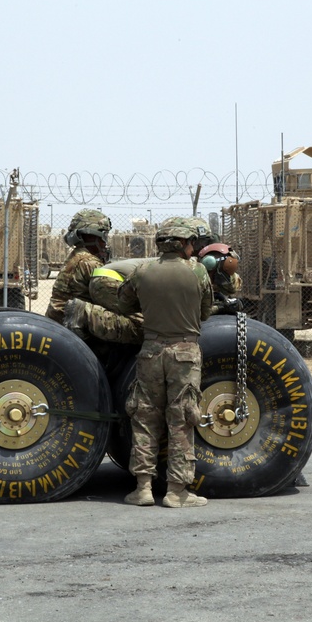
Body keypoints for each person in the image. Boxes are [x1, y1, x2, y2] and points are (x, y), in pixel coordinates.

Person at [117, 217, 213, 508]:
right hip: (184, 352)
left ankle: (143, 489)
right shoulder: (197, 271)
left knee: (145, 418)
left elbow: (123, 303)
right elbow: (206, 311)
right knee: (182, 420)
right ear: (185, 244)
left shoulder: (142, 271)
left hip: (150, 352)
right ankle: (176, 491)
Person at [45, 208, 111, 324]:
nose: (105, 243)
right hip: (72, 326)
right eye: (104, 236)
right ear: (91, 236)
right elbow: (112, 300)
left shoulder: (77, 256)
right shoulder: (89, 263)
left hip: (60, 321)